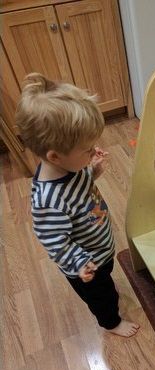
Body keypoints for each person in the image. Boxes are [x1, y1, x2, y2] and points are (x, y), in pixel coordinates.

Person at [16, 73, 140, 337]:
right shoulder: (48, 201)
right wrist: (80, 262)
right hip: (86, 267)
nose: (93, 150)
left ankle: (107, 294)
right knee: (101, 297)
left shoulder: (68, 168)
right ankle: (111, 322)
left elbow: (80, 186)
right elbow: (54, 241)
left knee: (106, 283)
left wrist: (91, 171)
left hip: (100, 251)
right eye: (87, 150)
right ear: (55, 156)